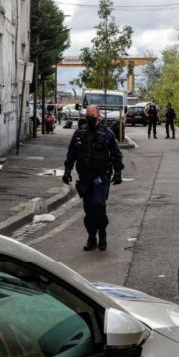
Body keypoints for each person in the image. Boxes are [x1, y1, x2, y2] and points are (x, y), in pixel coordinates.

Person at [62, 105, 124, 251]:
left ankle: (102, 234)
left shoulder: (107, 134)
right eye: (88, 116)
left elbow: (116, 154)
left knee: (98, 205)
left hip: (101, 176)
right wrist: (67, 171)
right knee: (89, 209)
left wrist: (118, 172)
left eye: (93, 116)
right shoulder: (79, 133)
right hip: (85, 177)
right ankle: (91, 237)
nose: (90, 119)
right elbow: (71, 154)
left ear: (98, 117)